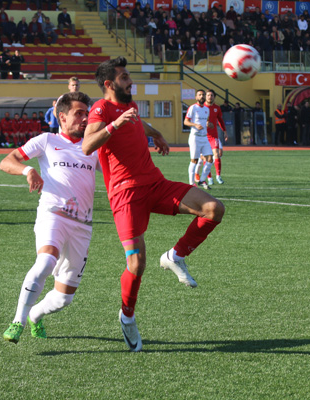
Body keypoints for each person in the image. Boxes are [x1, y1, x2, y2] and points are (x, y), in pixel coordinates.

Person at [82, 57, 224, 352]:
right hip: (125, 195)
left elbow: (136, 122)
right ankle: (128, 316)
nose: (130, 81)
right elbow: (87, 144)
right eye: (124, 78)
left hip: (155, 184)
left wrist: (155, 133)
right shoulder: (102, 109)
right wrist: (113, 125)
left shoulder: (129, 108)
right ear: (109, 84)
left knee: (213, 209)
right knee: (136, 264)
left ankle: (175, 256)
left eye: (129, 76)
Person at [2, 91, 98, 344]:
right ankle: (18, 321)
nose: (85, 119)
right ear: (62, 117)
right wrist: (28, 170)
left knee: (64, 298)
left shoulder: (94, 147)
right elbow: (6, 161)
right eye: (79, 114)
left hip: (83, 225)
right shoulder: (46, 140)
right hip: (53, 214)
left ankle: (35, 314)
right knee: (45, 262)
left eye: (87, 114)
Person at [185, 89, 213, 189]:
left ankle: (202, 180)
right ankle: (191, 183)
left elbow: (206, 121)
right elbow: (186, 122)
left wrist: (208, 124)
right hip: (195, 138)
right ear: (196, 97)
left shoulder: (207, 109)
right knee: (194, 161)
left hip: (204, 137)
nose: (201, 96)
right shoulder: (192, 108)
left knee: (210, 159)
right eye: (199, 95)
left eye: (203, 95)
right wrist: (195, 125)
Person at [203, 89, 227, 185]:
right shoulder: (201, 107)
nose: (210, 97)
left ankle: (218, 176)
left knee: (216, 154)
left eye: (211, 95)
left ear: (214, 97)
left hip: (213, 136)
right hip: (203, 136)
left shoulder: (217, 108)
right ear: (205, 97)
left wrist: (224, 132)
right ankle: (209, 178)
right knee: (207, 158)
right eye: (208, 95)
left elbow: (220, 120)